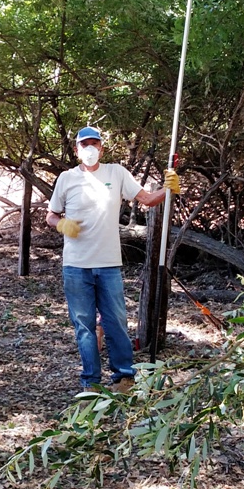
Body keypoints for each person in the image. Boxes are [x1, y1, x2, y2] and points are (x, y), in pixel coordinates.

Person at [46, 126, 180, 391]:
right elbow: (51, 214)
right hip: (76, 265)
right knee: (84, 326)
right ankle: (91, 383)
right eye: (84, 145)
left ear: (102, 149)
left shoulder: (116, 173)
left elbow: (147, 199)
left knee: (116, 321)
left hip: (108, 264)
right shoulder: (66, 178)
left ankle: (124, 378)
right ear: (76, 150)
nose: (90, 149)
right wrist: (61, 225)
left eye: (94, 144)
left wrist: (168, 189)